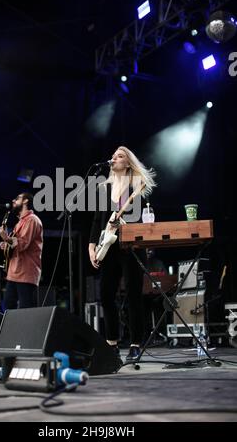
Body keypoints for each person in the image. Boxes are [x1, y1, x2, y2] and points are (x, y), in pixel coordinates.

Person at [89, 146, 156, 362]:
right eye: (114, 156)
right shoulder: (103, 188)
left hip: (131, 247)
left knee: (134, 294)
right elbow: (97, 220)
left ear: (128, 163)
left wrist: (125, 223)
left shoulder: (137, 186)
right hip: (108, 245)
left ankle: (136, 344)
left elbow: (142, 219)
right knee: (107, 294)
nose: (114, 159)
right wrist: (91, 246)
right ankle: (112, 343)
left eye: (119, 156)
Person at [0, 192, 43, 309]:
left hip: (26, 273)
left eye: (17, 198)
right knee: (8, 307)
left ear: (25, 201)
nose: (13, 200)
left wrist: (7, 238)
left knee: (25, 312)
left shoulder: (32, 220)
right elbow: (15, 245)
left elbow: (23, 244)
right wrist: (6, 244)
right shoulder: (20, 222)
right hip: (13, 273)